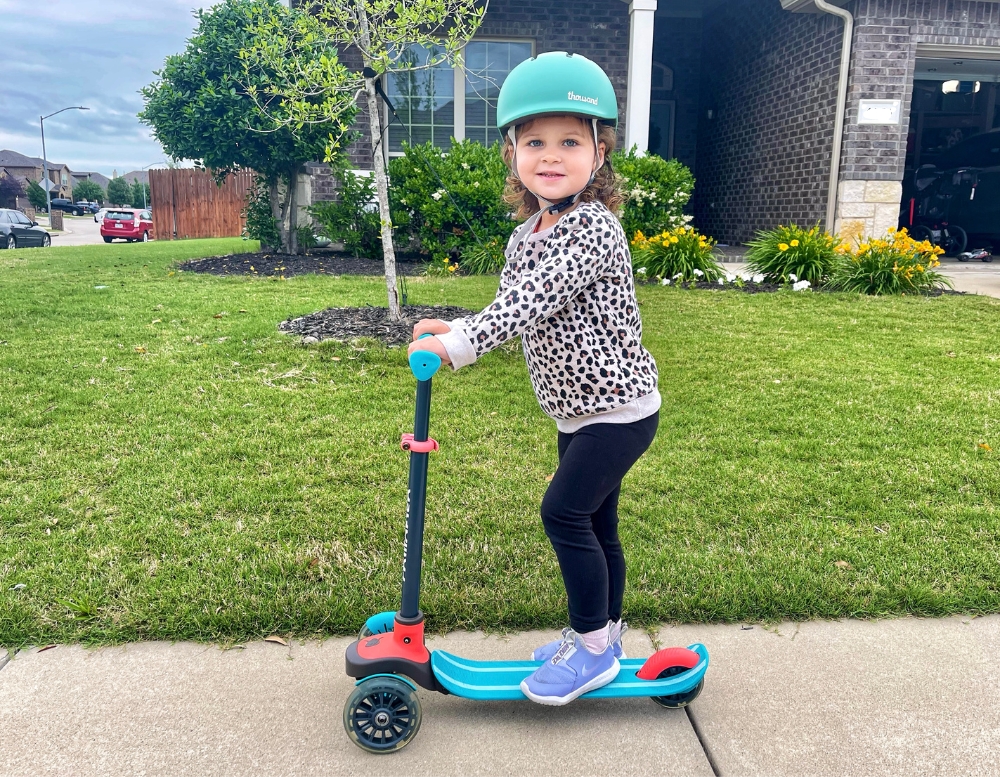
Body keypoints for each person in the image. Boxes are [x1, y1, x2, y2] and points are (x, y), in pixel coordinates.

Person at [408, 51, 660, 706]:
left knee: (564, 512)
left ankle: (593, 650)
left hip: (620, 409)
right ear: (513, 153)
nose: (552, 155)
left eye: (570, 141)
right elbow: (510, 303)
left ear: (599, 152)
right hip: (575, 412)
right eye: (535, 141)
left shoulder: (594, 229)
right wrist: (454, 325)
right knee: (598, 524)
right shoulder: (528, 234)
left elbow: (530, 302)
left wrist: (459, 345)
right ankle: (602, 633)